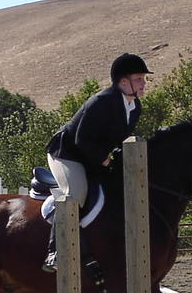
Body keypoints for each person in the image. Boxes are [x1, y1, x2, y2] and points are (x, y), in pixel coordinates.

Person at [42, 52, 153, 272]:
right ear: (124, 82)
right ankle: (55, 252)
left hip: (92, 156)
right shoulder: (101, 102)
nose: (144, 83)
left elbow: (117, 141)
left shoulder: (134, 107)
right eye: (139, 78)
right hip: (66, 153)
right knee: (76, 193)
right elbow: (81, 140)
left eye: (143, 78)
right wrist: (104, 159)